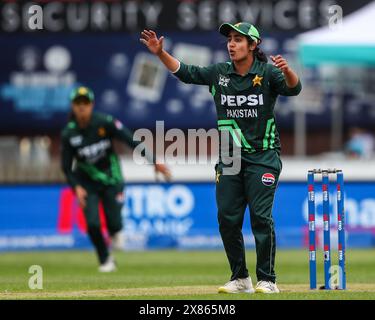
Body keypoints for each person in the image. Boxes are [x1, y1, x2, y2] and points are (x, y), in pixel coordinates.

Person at [140, 22, 301, 293]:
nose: (231, 44)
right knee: (227, 218)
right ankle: (240, 278)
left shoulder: (268, 73)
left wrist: (288, 71)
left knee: (260, 218)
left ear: (253, 45)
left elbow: (294, 89)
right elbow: (186, 72)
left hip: (263, 155)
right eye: (230, 39)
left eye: (238, 40)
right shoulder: (219, 73)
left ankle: (268, 280)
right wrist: (159, 53)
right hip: (229, 158)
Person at [61, 86, 171, 272]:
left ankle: (115, 231)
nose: (81, 107)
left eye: (85, 103)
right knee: (93, 224)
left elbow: (130, 140)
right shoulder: (69, 134)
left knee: (114, 223)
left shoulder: (105, 122)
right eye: (78, 103)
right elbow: (65, 167)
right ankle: (105, 260)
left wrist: (153, 161)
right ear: (72, 106)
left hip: (112, 178)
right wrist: (76, 187)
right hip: (87, 184)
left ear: (92, 105)